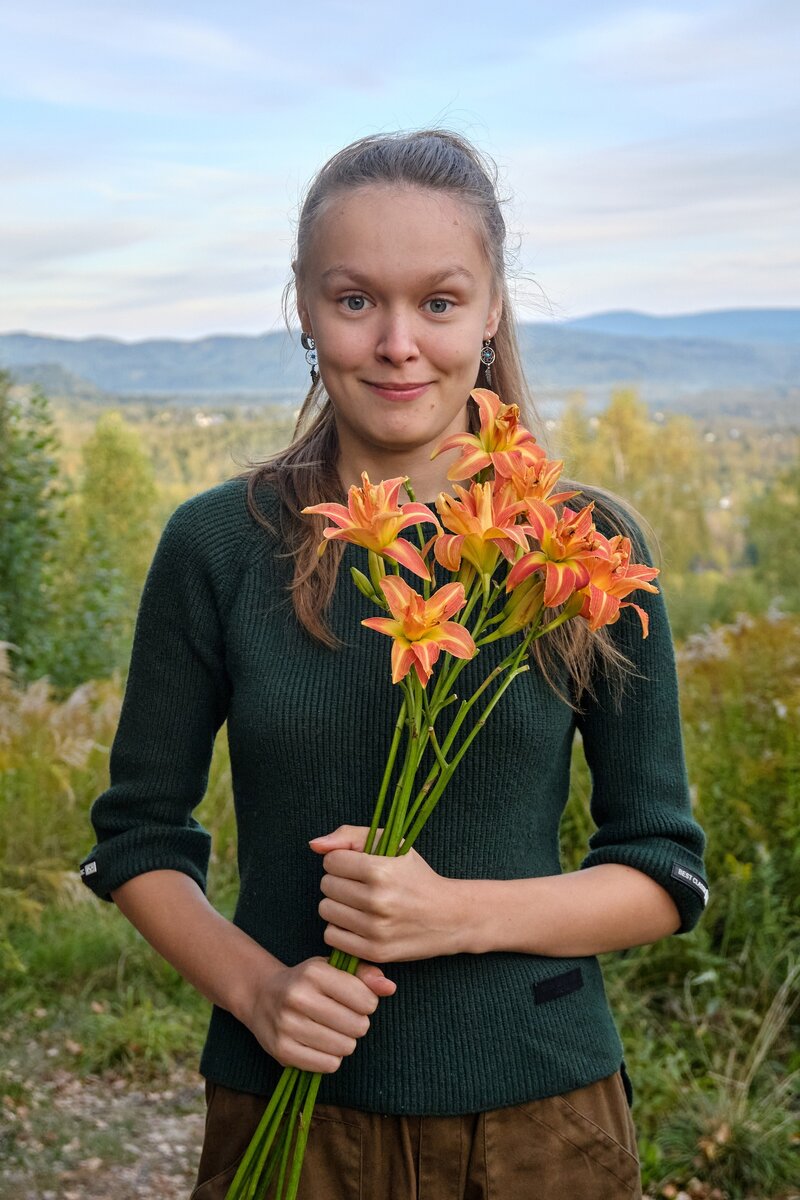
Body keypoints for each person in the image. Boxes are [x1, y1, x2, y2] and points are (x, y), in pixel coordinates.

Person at [79, 129, 708, 1199]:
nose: (397, 344)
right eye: (355, 299)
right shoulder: (218, 545)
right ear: (303, 306)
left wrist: (457, 913)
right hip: (289, 1109)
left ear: (492, 308)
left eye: (440, 301)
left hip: (538, 1117)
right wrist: (258, 990)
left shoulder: (583, 548)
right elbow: (137, 840)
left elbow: (662, 873)